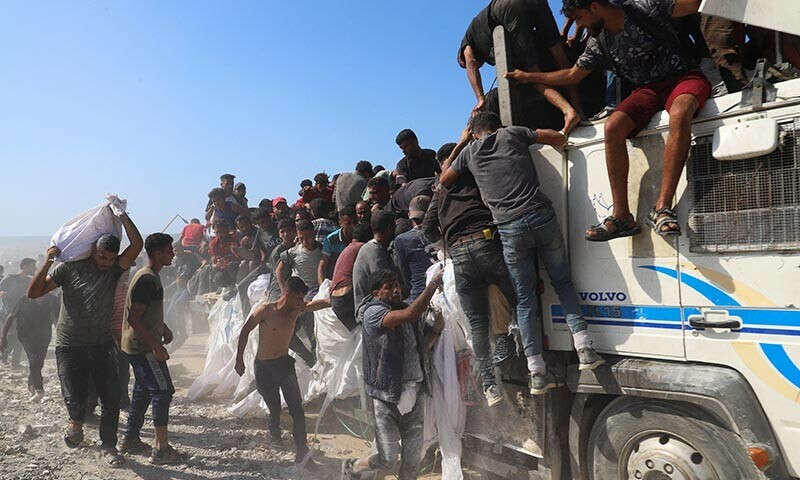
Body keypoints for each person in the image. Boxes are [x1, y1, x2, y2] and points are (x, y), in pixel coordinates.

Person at [506, 0, 711, 240]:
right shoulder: (599, 42)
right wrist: (529, 77)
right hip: (648, 89)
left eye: (579, 17)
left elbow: (695, 4)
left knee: (680, 112)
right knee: (612, 126)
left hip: (684, 77)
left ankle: (663, 207)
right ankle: (622, 216)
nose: (580, 25)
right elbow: (572, 75)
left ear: (594, 7)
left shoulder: (644, 7)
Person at [440, 113, 604, 394]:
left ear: (476, 133)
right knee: (562, 282)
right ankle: (584, 347)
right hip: (540, 216)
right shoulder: (512, 133)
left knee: (525, 298)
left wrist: (461, 142)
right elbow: (556, 137)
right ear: (497, 127)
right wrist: (566, 127)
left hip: (509, 228)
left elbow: (444, 179)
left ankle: (536, 372)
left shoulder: (469, 152)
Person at [27, 212, 143, 467]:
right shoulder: (68, 269)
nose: (106, 262)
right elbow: (34, 292)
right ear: (93, 250)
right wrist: (47, 262)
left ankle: (109, 446)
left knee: (111, 397)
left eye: (111, 258)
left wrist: (122, 216)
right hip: (70, 344)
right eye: (102, 257)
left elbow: (137, 245)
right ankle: (76, 424)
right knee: (74, 395)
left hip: (101, 343)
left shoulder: (113, 271)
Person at [422, 150, 519, 406]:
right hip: (485, 242)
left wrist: (449, 246)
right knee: (519, 295)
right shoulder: (476, 173)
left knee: (476, 324)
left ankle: (490, 386)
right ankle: (515, 342)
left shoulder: (440, 189)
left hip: (460, 256)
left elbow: (427, 228)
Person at [341, 268, 444, 480]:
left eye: (397, 285)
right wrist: (433, 284)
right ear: (377, 293)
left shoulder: (405, 310)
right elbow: (410, 315)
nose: (396, 290)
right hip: (387, 397)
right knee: (388, 459)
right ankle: (354, 466)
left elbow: (420, 347)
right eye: (389, 287)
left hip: (415, 393)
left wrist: (436, 329)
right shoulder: (373, 313)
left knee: (412, 461)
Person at [234, 276, 330, 469]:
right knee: (274, 407)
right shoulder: (265, 310)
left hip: (284, 365)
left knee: (297, 409)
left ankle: (302, 451)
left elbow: (322, 303)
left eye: (302, 299)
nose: (301, 302)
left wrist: (342, 297)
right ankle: (274, 433)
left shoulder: (297, 309)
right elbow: (245, 331)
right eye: (298, 298)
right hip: (264, 367)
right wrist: (239, 360)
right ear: (287, 294)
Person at [458, 0, 582, 130]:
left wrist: (480, 98)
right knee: (559, 55)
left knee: (532, 73)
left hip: (508, 8)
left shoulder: (467, 41)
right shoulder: (479, 27)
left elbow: (470, 63)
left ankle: (569, 111)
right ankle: (580, 111)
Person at [119, 233, 188, 464]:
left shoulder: (148, 275)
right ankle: (161, 449)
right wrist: (155, 345)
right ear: (158, 254)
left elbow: (144, 311)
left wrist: (163, 327)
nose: (172, 254)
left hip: (137, 344)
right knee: (162, 391)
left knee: (143, 390)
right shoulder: (148, 279)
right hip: (142, 347)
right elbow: (134, 317)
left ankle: (130, 439)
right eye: (169, 251)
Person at [276, 220, 322, 366]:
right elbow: (279, 271)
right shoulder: (293, 252)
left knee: (307, 314)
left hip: (314, 291)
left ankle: (314, 349)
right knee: (282, 328)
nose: (304, 241)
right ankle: (307, 356)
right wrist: (283, 291)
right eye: (301, 238)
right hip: (296, 291)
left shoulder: (321, 250)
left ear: (314, 234)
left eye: (308, 237)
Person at [0, 293, 59, 400]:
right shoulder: (24, 300)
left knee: (39, 361)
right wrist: (3, 338)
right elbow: (11, 316)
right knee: (33, 359)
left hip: (44, 335)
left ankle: (31, 382)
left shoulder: (52, 299)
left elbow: (57, 318)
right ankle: (39, 388)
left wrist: (60, 334)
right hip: (25, 334)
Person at [392, 196, 438, 302]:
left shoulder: (402, 240)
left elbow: (406, 277)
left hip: (420, 294)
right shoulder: (443, 232)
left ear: (409, 215)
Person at [329, 223, 372, 332]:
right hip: (348, 296)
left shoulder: (347, 248)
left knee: (356, 333)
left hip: (335, 299)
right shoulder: (364, 247)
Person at [352, 211, 398, 308]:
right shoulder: (373, 251)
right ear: (389, 227)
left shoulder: (380, 249)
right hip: (368, 308)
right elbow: (385, 285)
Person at [0, 258, 37, 367]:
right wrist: (4, 294)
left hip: (23, 314)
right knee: (15, 336)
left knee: (19, 337)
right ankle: (6, 357)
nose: (35, 269)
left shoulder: (29, 281)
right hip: (8, 314)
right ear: (24, 267)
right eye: (32, 266)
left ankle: (12, 360)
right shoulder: (9, 279)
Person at [317, 206, 356, 285]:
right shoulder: (331, 239)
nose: (352, 226)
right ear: (340, 223)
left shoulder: (361, 237)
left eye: (355, 222)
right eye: (348, 223)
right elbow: (322, 266)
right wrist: (323, 287)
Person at [208, 218, 240, 288]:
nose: (219, 235)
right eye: (217, 232)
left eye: (222, 231)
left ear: (227, 230)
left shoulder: (236, 238)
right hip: (224, 269)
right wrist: (217, 265)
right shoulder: (214, 244)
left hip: (238, 266)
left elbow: (243, 256)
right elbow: (213, 265)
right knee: (216, 276)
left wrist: (236, 251)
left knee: (232, 265)